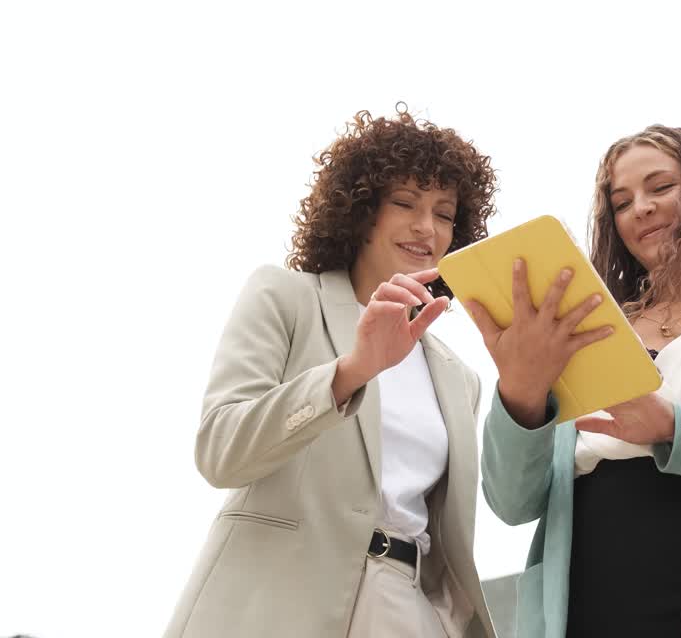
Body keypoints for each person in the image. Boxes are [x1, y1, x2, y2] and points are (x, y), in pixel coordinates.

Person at [469, 125, 681, 637]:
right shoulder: (580, 334)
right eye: (622, 201)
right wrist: (520, 391)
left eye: (660, 188)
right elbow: (511, 502)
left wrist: (676, 427)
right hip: (587, 597)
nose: (641, 208)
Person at [165, 106, 498, 638]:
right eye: (404, 203)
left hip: (406, 610)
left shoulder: (459, 378)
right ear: (361, 210)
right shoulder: (285, 298)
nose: (425, 227)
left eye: (443, 213)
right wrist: (349, 373)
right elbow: (220, 451)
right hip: (277, 602)